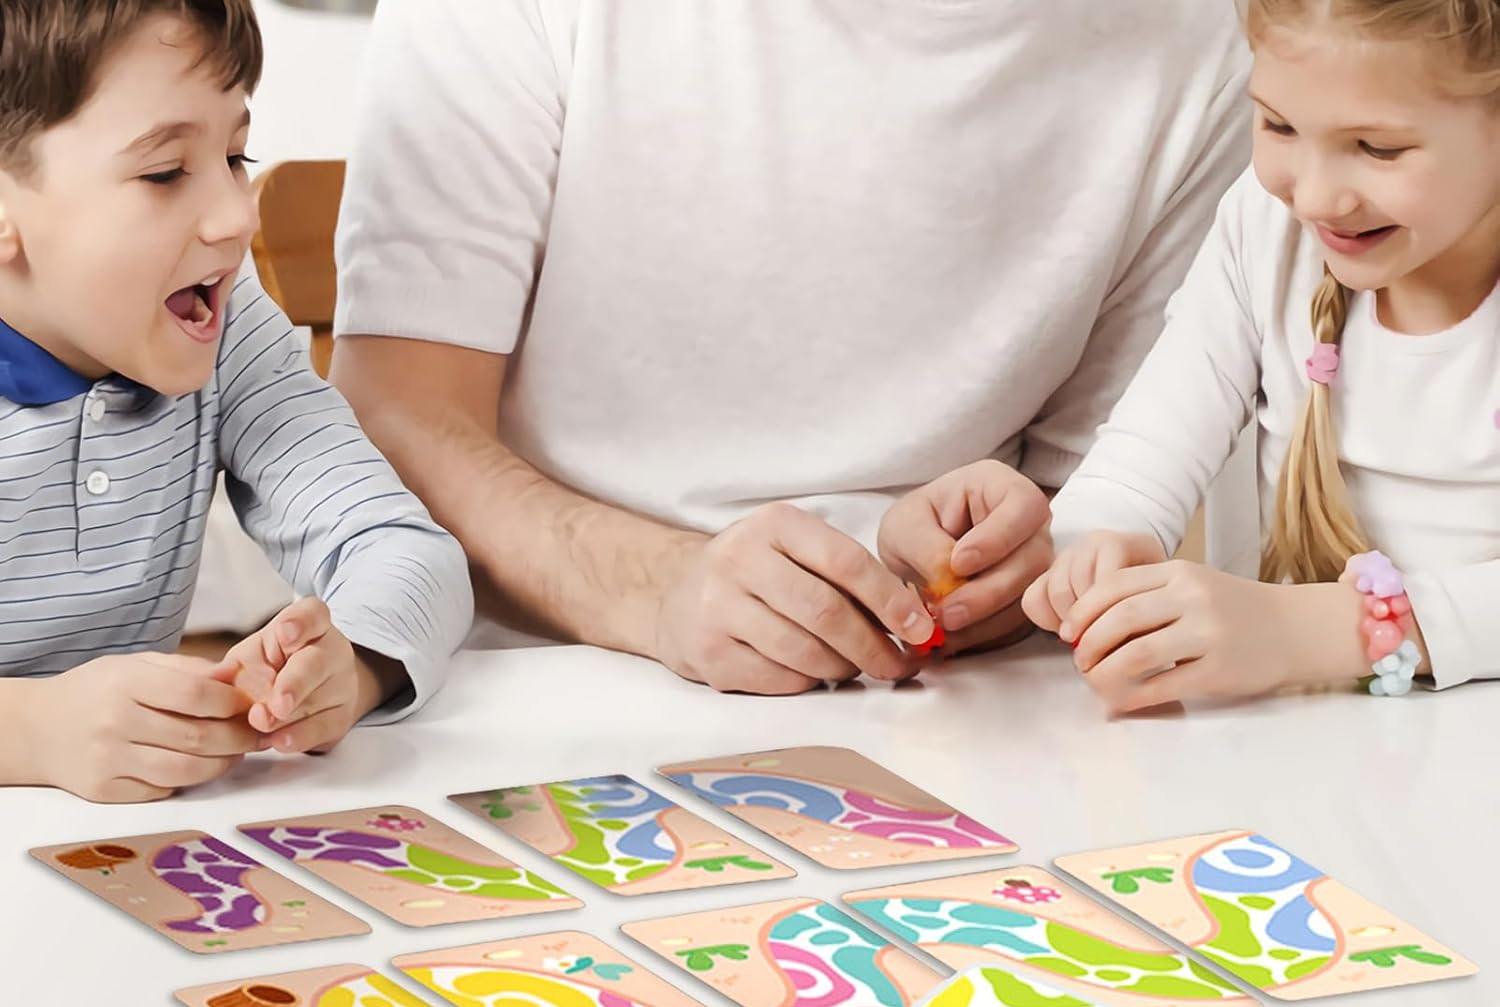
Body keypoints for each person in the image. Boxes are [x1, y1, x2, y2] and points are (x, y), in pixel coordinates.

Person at [330, 0, 1250, 695]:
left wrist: (1002, 569)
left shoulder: (1209, 44)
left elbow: (1086, 497)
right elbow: (395, 414)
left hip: (971, 711)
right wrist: (660, 589)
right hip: (551, 689)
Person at [0, 0, 473, 803]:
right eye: (164, 172)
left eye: (235, 156)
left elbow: (398, 545)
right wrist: (30, 733)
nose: (236, 216)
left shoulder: (225, 328)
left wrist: (349, 664)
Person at [1021, 0, 1500, 710]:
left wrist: (1310, 631)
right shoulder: (1263, 225)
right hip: (1289, 751)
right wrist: (1092, 547)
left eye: (1378, 149)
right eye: (1278, 125)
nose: (1314, 197)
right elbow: (1138, 466)